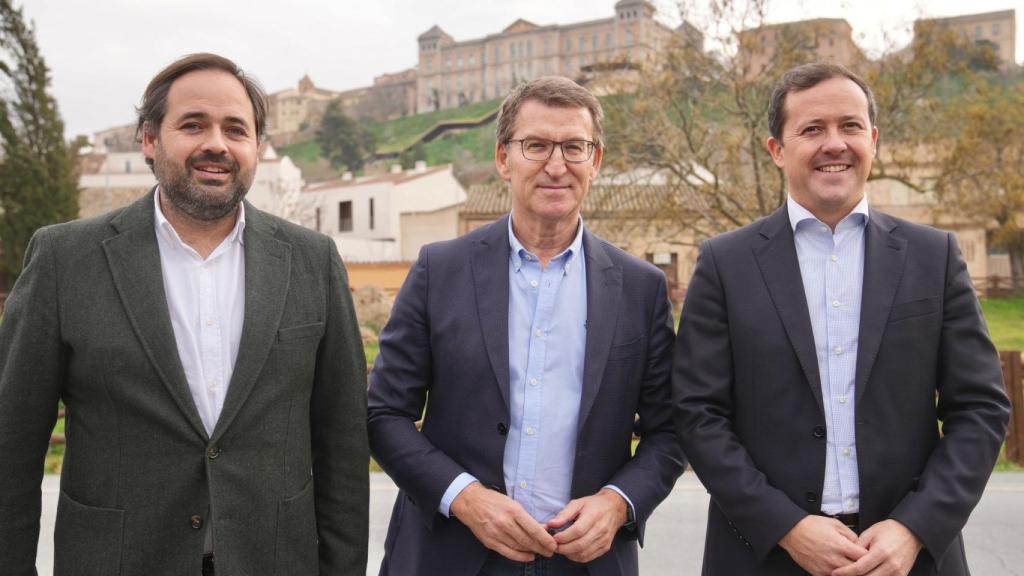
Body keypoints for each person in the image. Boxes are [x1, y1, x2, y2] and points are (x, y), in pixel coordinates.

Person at [0, 53, 369, 576]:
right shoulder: (66, 260)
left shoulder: (313, 261)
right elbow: (9, 448)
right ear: (150, 140)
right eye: (193, 124)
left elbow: (345, 448)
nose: (216, 143)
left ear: (256, 148)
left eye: (235, 129)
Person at [673, 62, 1011, 575]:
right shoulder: (725, 263)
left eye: (850, 126)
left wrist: (914, 527)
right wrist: (785, 525)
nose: (835, 143)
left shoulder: (933, 257)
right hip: (762, 555)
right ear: (777, 150)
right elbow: (698, 414)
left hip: (906, 558)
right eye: (812, 129)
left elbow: (981, 408)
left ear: (873, 139)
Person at [367, 76, 685, 576]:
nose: (555, 165)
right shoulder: (440, 270)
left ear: (595, 162)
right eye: (535, 145)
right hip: (448, 553)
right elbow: (383, 413)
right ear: (503, 159)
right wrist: (465, 498)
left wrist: (618, 502)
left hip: (585, 560)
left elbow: (671, 430)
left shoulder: (640, 288)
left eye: (574, 147)